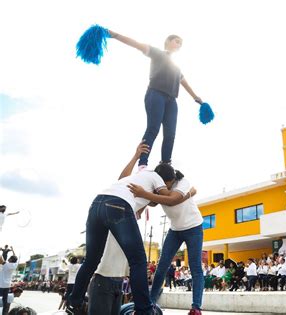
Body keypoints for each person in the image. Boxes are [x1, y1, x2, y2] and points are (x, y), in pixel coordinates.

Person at [67, 143, 190, 315]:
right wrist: (185, 190)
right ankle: (144, 309)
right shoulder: (156, 177)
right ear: (165, 180)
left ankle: (74, 303)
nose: (167, 187)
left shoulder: (140, 176)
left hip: (97, 204)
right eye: (168, 184)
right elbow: (168, 198)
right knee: (138, 261)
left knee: (91, 260)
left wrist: (135, 157)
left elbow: (123, 179)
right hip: (118, 206)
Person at [107, 30, 203, 168]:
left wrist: (196, 98)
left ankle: (165, 164)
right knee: (153, 128)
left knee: (170, 134)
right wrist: (113, 34)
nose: (179, 45)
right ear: (168, 42)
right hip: (156, 94)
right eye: (177, 41)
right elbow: (136, 44)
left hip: (171, 101)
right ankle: (142, 164)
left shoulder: (176, 67)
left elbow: (184, 82)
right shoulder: (158, 53)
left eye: (180, 44)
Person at [131, 163, 204, 314]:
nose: (163, 186)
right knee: (161, 267)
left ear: (172, 179)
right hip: (175, 230)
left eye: (166, 183)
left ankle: (196, 307)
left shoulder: (182, 183)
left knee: (195, 267)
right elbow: (152, 201)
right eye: (160, 183)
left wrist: (144, 193)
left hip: (194, 228)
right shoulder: (159, 185)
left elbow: (172, 199)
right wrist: (141, 207)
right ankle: (150, 303)